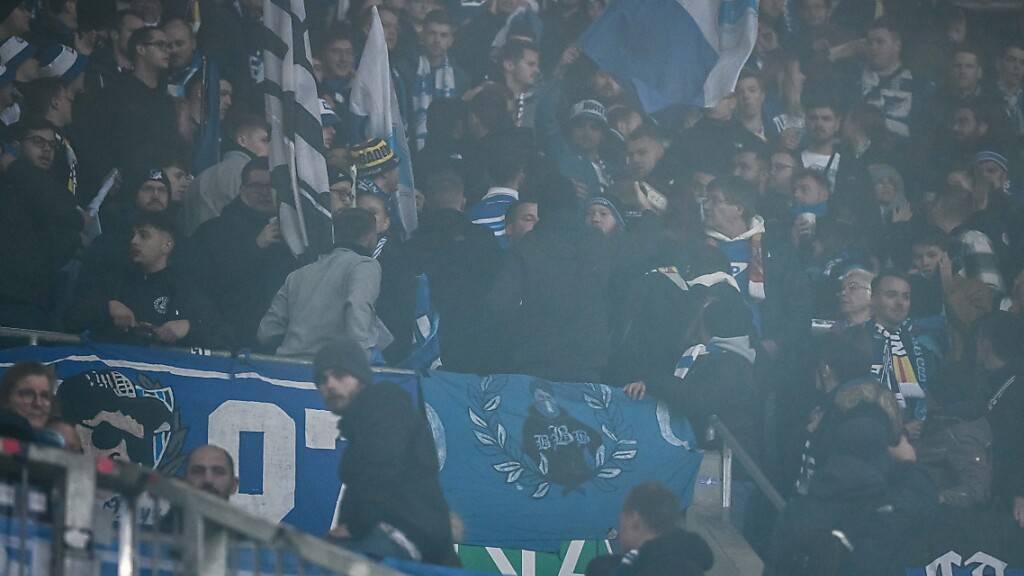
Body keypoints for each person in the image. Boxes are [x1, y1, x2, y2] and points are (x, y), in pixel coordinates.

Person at [313, 338, 457, 565]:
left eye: (339, 375)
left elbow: (381, 463)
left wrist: (354, 525)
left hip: (409, 541)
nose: (329, 384)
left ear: (359, 377)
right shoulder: (360, 427)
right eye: (322, 379)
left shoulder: (384, 400)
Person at [66, 211, 231, 348]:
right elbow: (70, 319)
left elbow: (226, 339)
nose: (134, 241)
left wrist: (188, 328)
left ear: (167, 245)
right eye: (133, 235)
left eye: (143, 236)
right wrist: (107, 308)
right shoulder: (113, 278)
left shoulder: (183, 289)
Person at [188, 158, 296, 347]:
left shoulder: (295, 233)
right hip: (226, 339)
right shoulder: (213, 231)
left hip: (280, 340)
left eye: (271, 186)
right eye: (257, 186)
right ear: (242, 189)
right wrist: (255, 247)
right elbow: (204, 283)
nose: (265, 193)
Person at [258, 208, 389, 357]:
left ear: (336, 235)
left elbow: (267, 331)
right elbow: (357, 307)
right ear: (370, 236)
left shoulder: (298, 275)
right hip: (332, 371)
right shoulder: (365, 266)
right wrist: (358, 360)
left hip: (289, 370)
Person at [0, 119, 83, 330]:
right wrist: (13, 166)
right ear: (16, 146)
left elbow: (66, 210)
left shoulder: (49, 187)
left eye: (51, 145)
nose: (47, 149)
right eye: (38, 141)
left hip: (34, 300)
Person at [585, 482, 713, 576]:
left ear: (634, 519)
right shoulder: (692, 564)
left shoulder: (616, 569)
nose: (620, 530)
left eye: (622, 520)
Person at [973, 312, 1024, 529]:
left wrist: (1019, 492)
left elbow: (1016, 444)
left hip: (1012, 504)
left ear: (986, 344)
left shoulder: (1016, 388)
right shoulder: (1001, 383)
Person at [181, 116, 270, 235]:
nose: (270, 148)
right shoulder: (245, 176)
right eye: (264, 140)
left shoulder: (201, 177)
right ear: (242, 141)